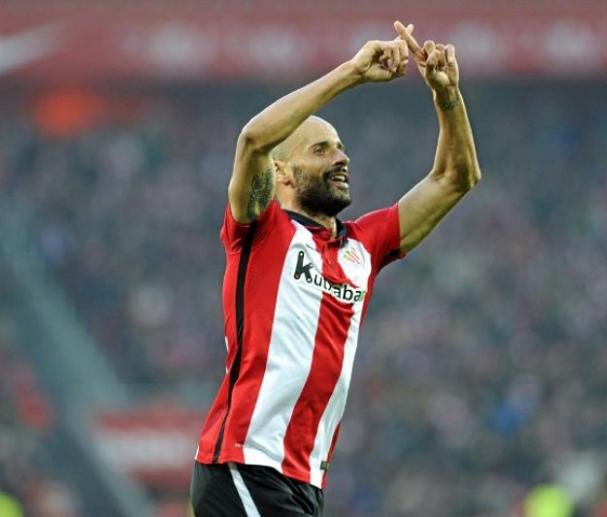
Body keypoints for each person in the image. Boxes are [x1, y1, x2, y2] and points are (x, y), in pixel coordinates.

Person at [190, 20, 481, 516]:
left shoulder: (362, 246)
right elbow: (254, 140)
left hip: (304, 478)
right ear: (281, 173)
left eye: (341, 147)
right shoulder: (261, 230)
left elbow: (457, 177)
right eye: (321, 149)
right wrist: (352, 73)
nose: (341, 158)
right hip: (244, 463)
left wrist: (447, 97)